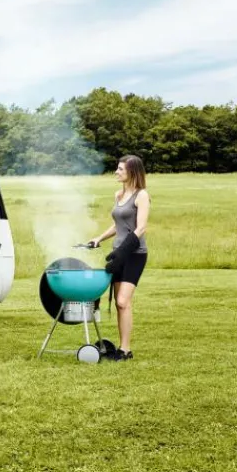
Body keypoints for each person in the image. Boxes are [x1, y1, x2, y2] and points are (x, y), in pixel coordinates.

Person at [85, 154, 150, 361]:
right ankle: (123, 349)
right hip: (118, 253)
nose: (116, 172)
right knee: (118, 304)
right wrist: (99, 238)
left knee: (123, 301)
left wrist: (123, 251)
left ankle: (126, 350)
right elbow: (118, 224)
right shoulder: (118, 194)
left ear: (132, 172)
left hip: (134, 254)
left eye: (121, 169)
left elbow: (141, 228)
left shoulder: (141, 195)